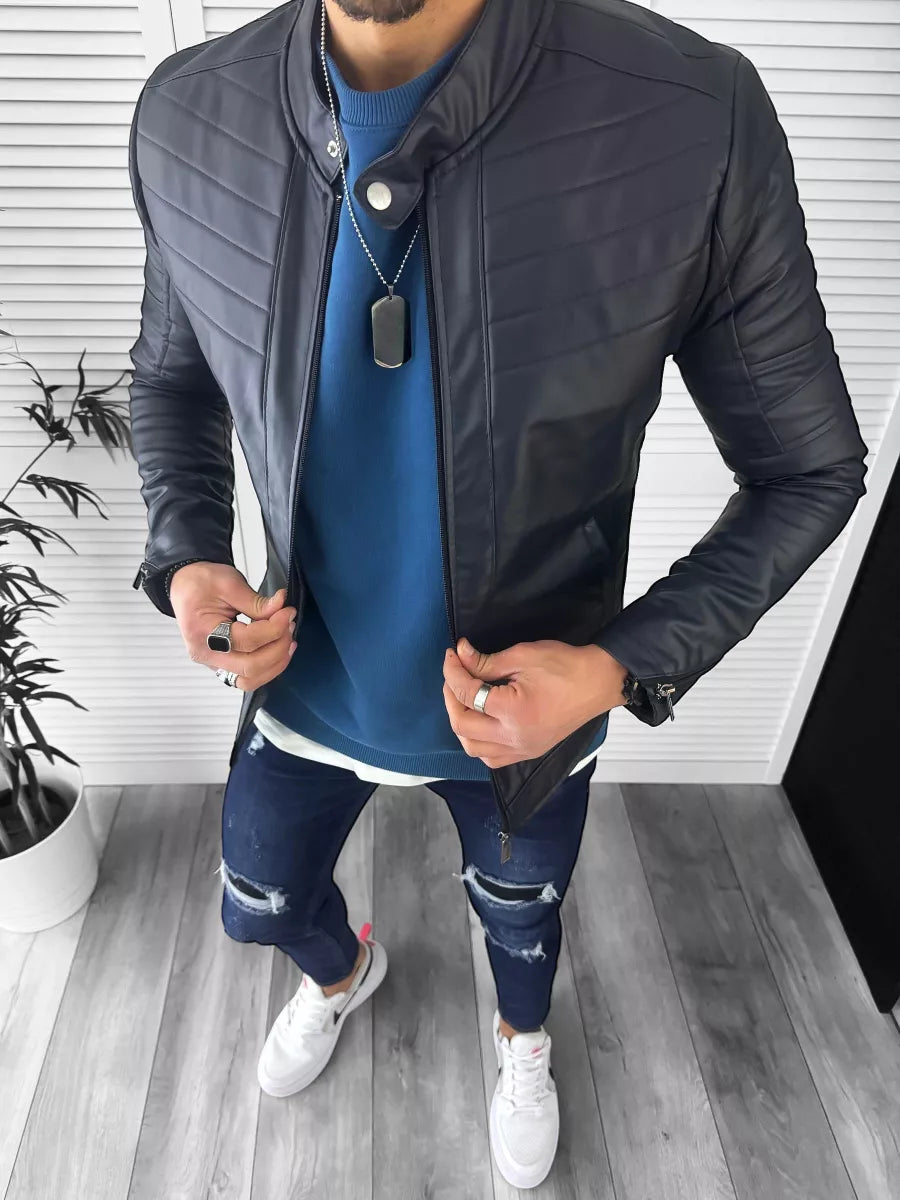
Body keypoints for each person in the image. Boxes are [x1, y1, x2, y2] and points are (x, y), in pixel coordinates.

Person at [126, 0, 868, 1188]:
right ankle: (345, 973)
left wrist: (617, 669)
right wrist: (188, 553)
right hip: (304, 683)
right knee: (259, 901)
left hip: (529, 718)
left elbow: (809, 469)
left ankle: (525, 1041)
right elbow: (172, 377)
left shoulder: (692, 115)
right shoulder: (187, 114)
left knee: (521, 921)